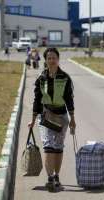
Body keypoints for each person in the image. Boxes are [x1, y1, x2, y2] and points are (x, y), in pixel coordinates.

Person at [28, 48, 76, 192]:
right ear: (45, 60)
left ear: (58, 59)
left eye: (54, 57)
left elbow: (69, 99)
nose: (51, 60)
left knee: (58, 148)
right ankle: (50, 178)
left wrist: (73, 119)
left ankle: (56, 176)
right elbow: (37, 100)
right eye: (48, 58)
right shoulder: (41, 78)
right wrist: (32, 120)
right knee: (48, 146)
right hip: (46, 116)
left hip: (61, 117)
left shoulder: (65, 77)